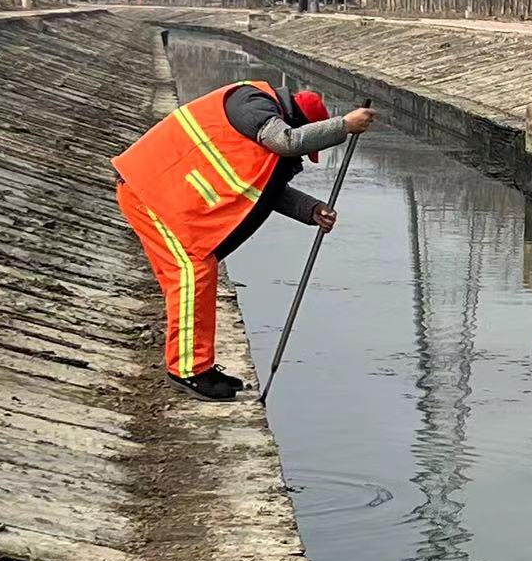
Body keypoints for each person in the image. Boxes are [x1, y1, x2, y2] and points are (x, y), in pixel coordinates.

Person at [113, 80, 376, 400]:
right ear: (296, 119)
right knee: (192, 274)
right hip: (150, 190)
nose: (304, 155)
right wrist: (344, 126)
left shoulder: (259, 125)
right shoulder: (252, 103)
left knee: (197, 272)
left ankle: (199, 367)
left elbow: (267, 190)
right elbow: (287, 141)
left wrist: (310, 210)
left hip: (162, 194)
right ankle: (188, 371)